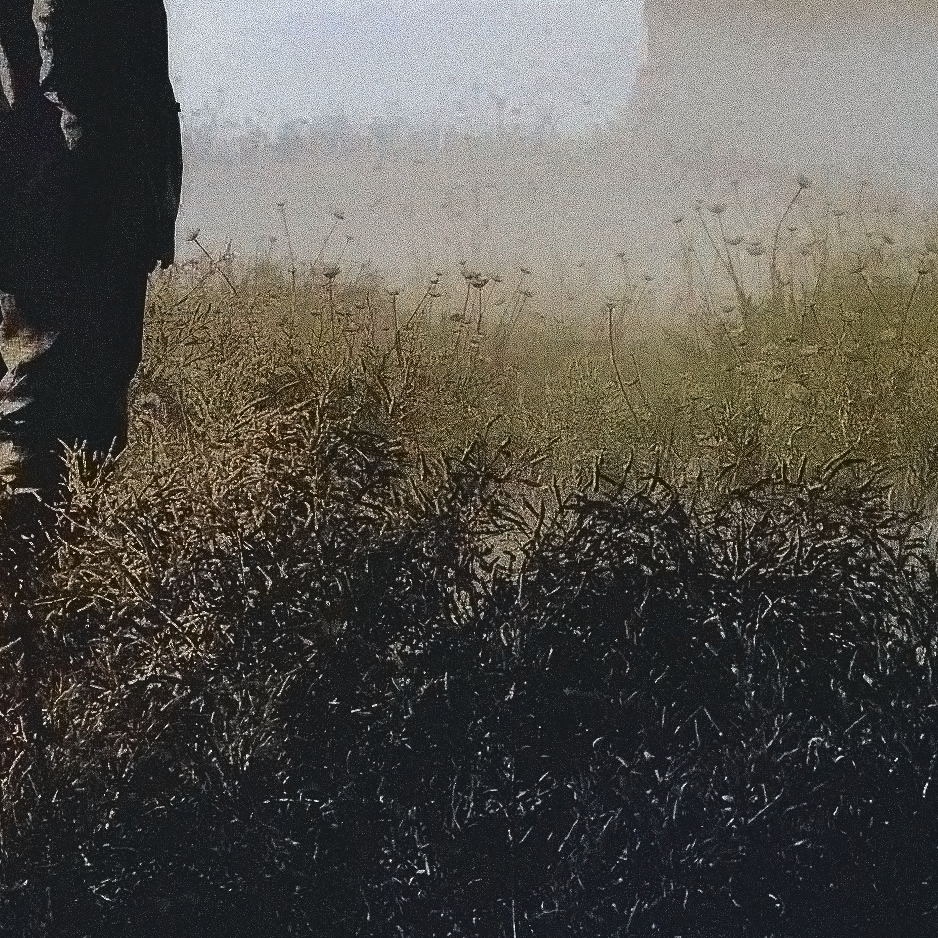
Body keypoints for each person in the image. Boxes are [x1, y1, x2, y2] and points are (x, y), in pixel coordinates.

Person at [0, 0, 183, 546]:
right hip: (70, 200)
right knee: (44, 387)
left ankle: (68, 558)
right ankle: (30, 564)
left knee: (91, 392)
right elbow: (60, 77)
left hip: (99, 197)